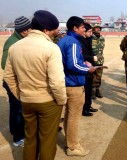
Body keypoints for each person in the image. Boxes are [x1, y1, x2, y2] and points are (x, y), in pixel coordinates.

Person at [4, 10, 67, 160]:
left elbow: (8, 76)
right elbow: (57, 82)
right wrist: (62, 100)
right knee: (47, 140)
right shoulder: (51, 48)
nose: (54, 33)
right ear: (45, 30)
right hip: (48, 101)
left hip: (27, 100)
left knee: (31, 139)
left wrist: (20, 94)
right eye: (53, 31)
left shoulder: (15, 47)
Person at [58, 16, 96, 156]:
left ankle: (70, 142)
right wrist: (88, 69)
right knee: (73, 116)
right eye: (82, 28)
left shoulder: (64, 40)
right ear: (75, 28)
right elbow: (72, 64)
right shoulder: (73, 42)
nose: (84, 30)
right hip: (73, 84)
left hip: (67, 82)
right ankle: (72, 147)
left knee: (69, 115)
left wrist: (83, 63)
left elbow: (73, 61)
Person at [1, 16, 31, 147]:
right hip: (13, 83)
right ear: (24, 31)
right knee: (17, 109)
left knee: (20, 108)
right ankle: (18, 138)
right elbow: (4, 64)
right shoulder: (12, 42)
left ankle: (20, 133)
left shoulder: (21, 40)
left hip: (20, 81)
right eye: (30, 29)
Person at [78, 22, 98, 116]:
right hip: (84, 68)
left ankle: (88, 106)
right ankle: (84, 109)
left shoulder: (88, 40)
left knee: (89, 89)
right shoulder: (79, 41)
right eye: (89, 31)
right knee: (85, 90)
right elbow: (82, 55)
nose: (91, 33)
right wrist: (92, 58)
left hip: (90, 68)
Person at [92, 25, 105, 99]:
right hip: (92, 61)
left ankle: (97, 90)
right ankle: (92, 92)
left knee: (99, 77)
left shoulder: (102, 38)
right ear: (93, 30)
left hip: (100, 61)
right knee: (93, 77)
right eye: (96, 28)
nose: (98, 29)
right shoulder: (90, 38)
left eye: (99, 28)